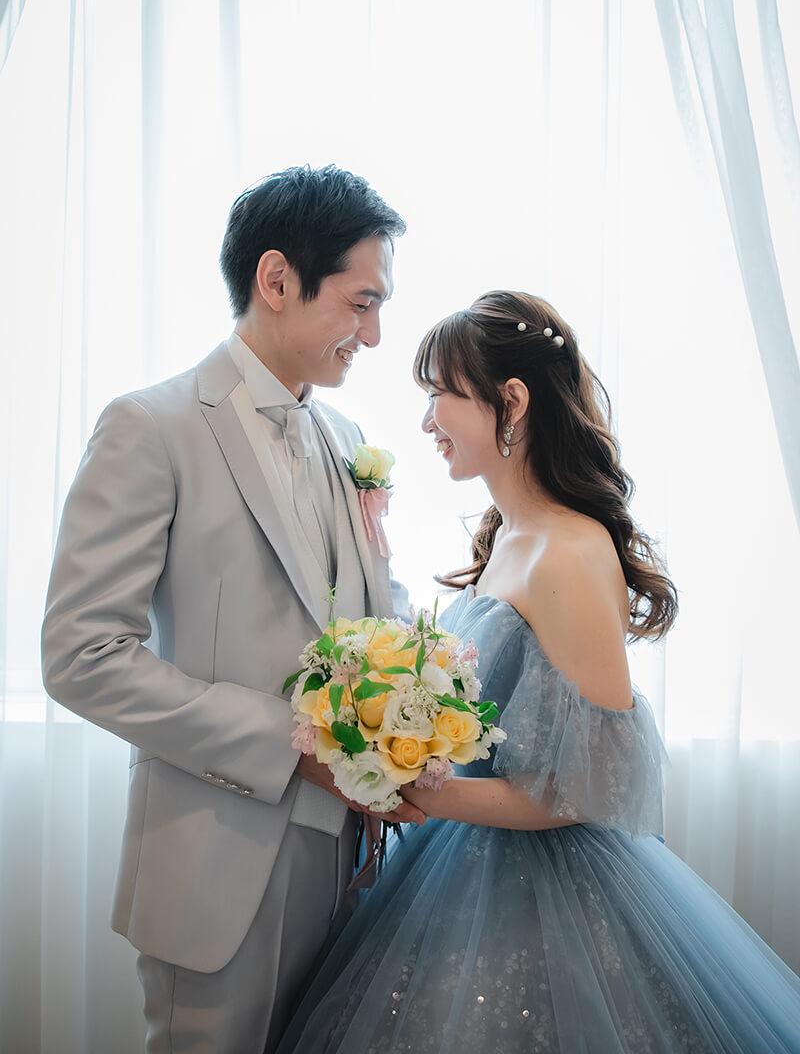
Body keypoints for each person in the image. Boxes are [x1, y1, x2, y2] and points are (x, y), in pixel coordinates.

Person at [276, 290, 800, 1053]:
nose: (427, 422)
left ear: (512, 402)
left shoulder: (570, 552)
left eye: (441, 395)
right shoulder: (509, 536)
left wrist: (420, 789)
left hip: (553, 896)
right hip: (459, 859)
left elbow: (590, 788)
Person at [41, 164, 426, 1054]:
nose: (374, 336)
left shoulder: (348, 439)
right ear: (278, 280)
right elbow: (81, 655)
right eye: (361, 303)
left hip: (354, 864)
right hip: (216, 863)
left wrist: (418, 711)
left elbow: (371, 615)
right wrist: (290, 748)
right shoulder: (152, 426)